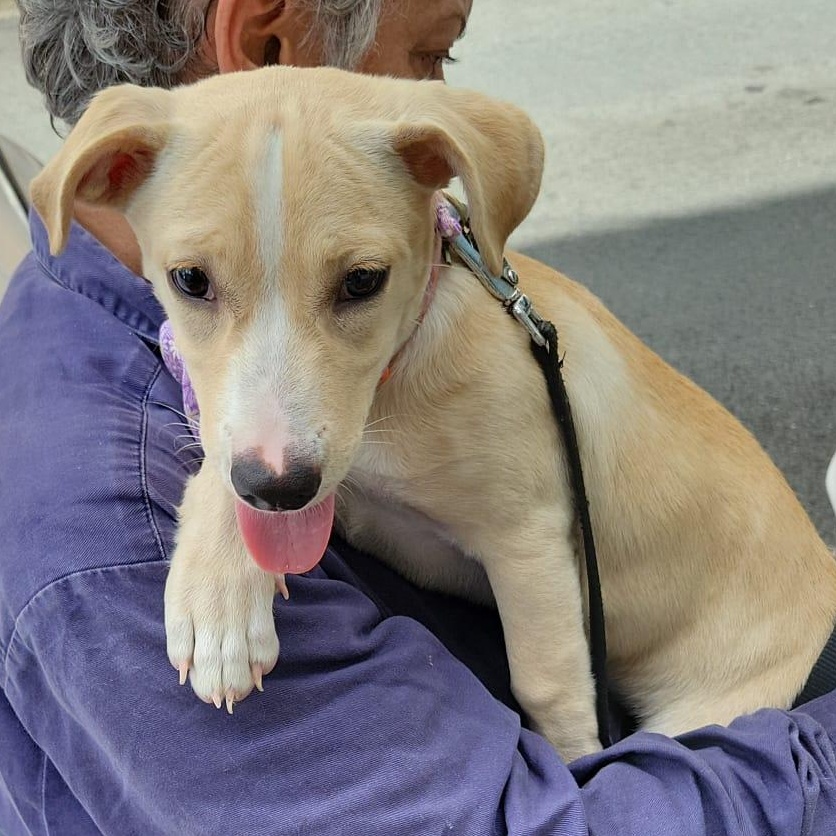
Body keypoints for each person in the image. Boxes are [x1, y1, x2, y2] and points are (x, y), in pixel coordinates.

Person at [1, 1, 834, 833]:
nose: (274, 454)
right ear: (263, 40)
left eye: (357, 283)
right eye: (432, 56)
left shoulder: (112, 306)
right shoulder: (109, 542)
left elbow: (520, 527)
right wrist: (220, 508)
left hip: (754, 660)